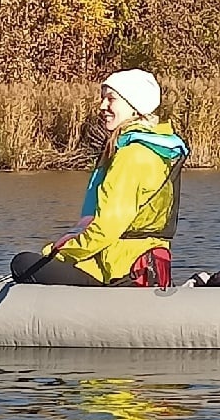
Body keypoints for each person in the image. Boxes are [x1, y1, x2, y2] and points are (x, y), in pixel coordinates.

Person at [10, 69, 188, 287]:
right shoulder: (156, 149)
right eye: (102, 98)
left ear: (135, 107)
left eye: (111, 99)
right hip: (142, 263)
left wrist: (58, 252)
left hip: (118, 270)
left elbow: (105, 230)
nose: (102, 106)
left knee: (22, 263)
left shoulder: (132, 156)